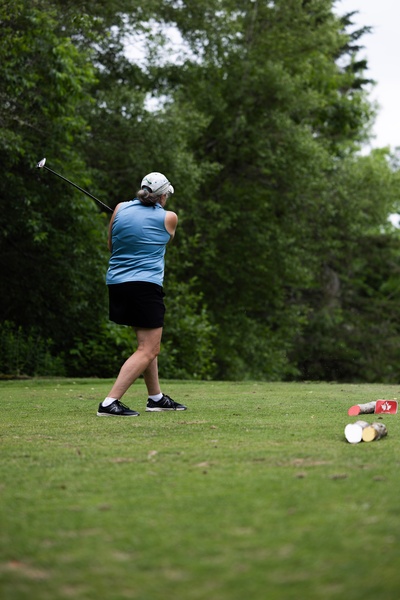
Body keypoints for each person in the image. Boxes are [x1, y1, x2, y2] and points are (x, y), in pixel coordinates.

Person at [97, 172, 187, 416]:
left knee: (148, 344)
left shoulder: (119, 208)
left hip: (117, 283)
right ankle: (109, 402)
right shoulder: (169, 217)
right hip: (145, 286)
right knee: (149, 349)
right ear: (163, 196)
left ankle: (155, 398)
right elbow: (167, 239)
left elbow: (111, 246)